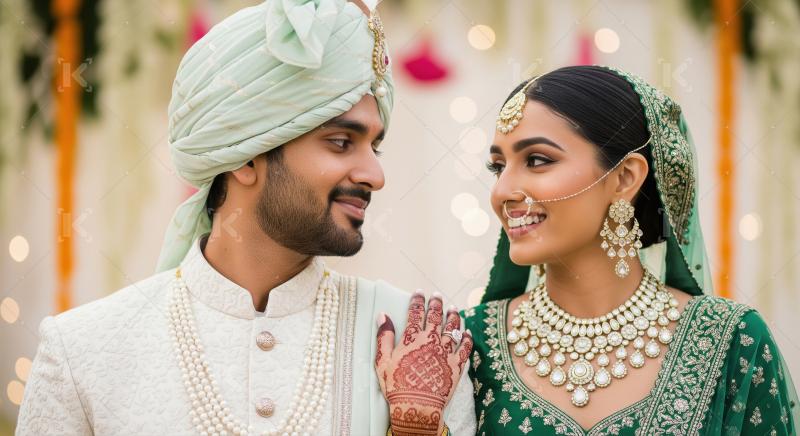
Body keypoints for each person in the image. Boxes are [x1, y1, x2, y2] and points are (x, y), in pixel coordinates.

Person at [15, 1, 475, 435]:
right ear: (244, 156)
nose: (375, 175)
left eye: (374, 146)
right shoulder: (85, 351)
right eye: (340, 142)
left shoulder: (416, 337)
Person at [382, 65, 799, 435]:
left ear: (624, 178)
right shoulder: (465, 346)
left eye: (538, 160)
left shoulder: (729, 340)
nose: (503, 191)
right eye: (498, 166)